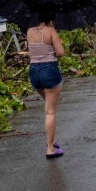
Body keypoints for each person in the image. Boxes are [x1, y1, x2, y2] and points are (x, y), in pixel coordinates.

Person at [26, 15, 65, 158]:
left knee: (48, 106)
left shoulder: (30, 31)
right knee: (50, 112)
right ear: (51, 19)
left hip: (34, 72)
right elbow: (60, 52)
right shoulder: (51, 32)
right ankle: (50, 148)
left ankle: (52, 140)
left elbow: (30, 49)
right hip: (49, 70)